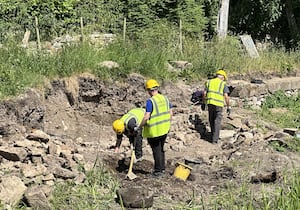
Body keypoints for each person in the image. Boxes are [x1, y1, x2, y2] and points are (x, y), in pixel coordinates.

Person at [138, 79, 173, 177]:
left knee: (156, 150)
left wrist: (140, 126)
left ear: (149, 90)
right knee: (161, 149)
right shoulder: (165, 98)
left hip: (154, 131)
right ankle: (162, 168)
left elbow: (146, 116)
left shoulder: (150, 101)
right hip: (164, 129)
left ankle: (158, 171)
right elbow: (171, 113)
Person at [203, 69, 231, 144]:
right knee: (217, 121)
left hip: (210, 103)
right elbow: (226, 96)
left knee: (211, 119)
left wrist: (203, 103)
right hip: (218, 105)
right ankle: (215, 140)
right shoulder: (223, 84)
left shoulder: (209, 82)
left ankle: (212, 135)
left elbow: (204, 93)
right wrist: (228, 106)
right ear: (223, 77)